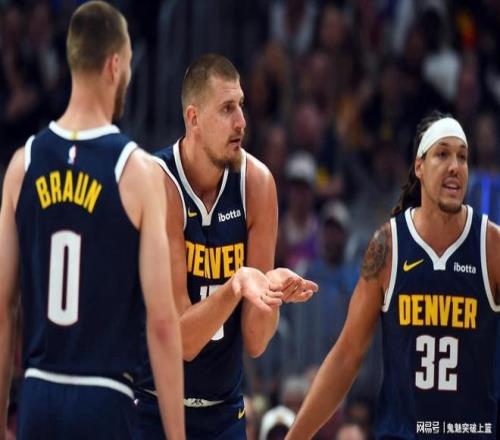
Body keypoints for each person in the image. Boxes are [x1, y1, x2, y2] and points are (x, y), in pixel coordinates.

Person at [0, 2, 185, 439]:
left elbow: (4, 309)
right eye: (129, 65)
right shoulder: (137, 170)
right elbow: (162, 323)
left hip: (38, 394)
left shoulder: (23, 164)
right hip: (104, 398)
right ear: (114, 64)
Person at [135, 53, 318, 439]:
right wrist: (238, 284)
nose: (241, 122)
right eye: (227, 108)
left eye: (241, 105)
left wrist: (271, 295)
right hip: (152, 405)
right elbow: (182, 341)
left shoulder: (258, 185)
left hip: (224, 412)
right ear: (194, 118)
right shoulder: (158, 182)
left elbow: (255, 342)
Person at [286, 111, 500, 439]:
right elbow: (347, 355)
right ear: (419, 166)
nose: (455, 166)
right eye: (443, 154)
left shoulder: (491, 246)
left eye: (462, 156)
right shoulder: (388, 245)